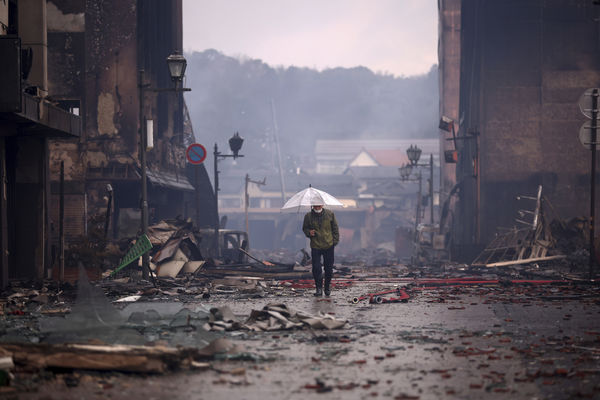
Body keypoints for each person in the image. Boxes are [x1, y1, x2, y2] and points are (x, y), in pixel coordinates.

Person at [302, 204, 339, 296]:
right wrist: (309, 232)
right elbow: (305, 228)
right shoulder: (308, 216)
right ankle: (318, 288)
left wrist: (335, 241)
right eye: (315, 206)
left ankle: (327, 287)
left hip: (329, 245)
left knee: (329, 268)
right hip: (315, 245)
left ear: (322, 205)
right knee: (316, 268)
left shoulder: (330, 214)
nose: (317, 208)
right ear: (313, 206)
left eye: (319, 206)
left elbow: (335, 228)